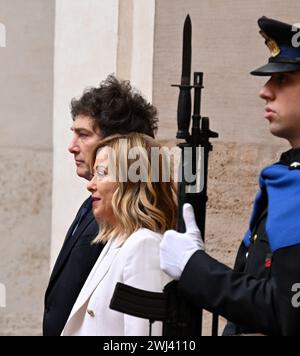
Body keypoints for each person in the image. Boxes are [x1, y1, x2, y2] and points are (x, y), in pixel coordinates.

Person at [160, 16, 300, 336]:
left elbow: (285, 310)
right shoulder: (287, 175)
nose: (264, 92)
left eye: (283, 80)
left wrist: (196, 268)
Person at [43, 75, 159, 336]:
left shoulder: (138, 236)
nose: (72, 147)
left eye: (83, 135)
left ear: (118, 145)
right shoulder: (93, 206)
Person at [61, 133, 177, 336]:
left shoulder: (145, 245)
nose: (91, 184)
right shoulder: (119, 239)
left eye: (102, 172)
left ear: (133, 183)